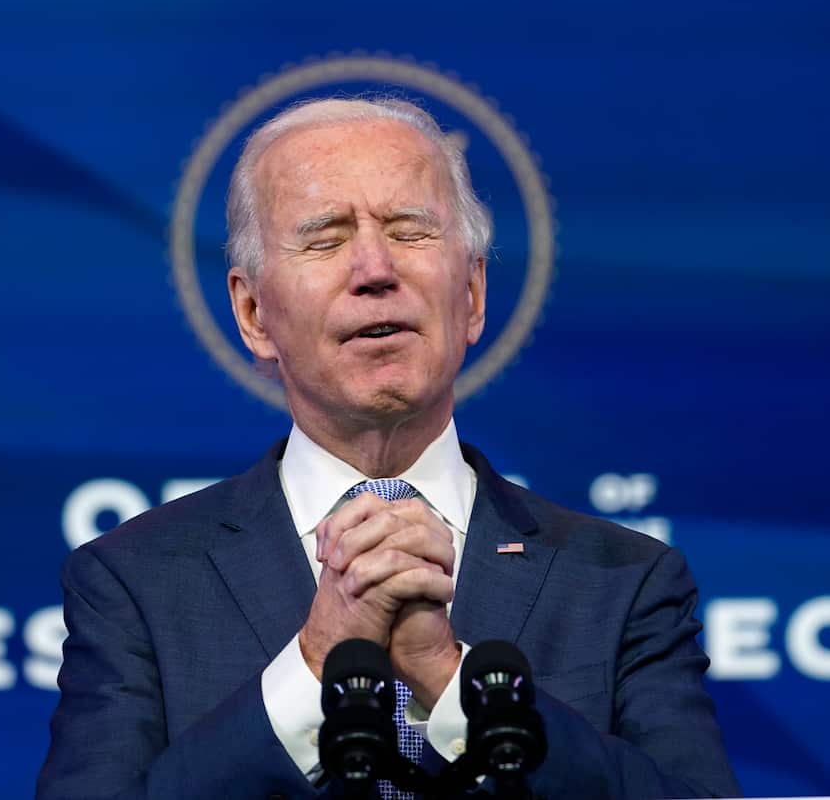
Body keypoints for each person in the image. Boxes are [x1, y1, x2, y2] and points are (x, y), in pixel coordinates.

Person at [37, 97, 741, 799]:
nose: (374, 268)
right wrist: (315, 665)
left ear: (470, 294)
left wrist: (450, 677)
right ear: (253, 314)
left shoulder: (624, 581)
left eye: (409, 231)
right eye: (325, 237)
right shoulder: (136, 584)